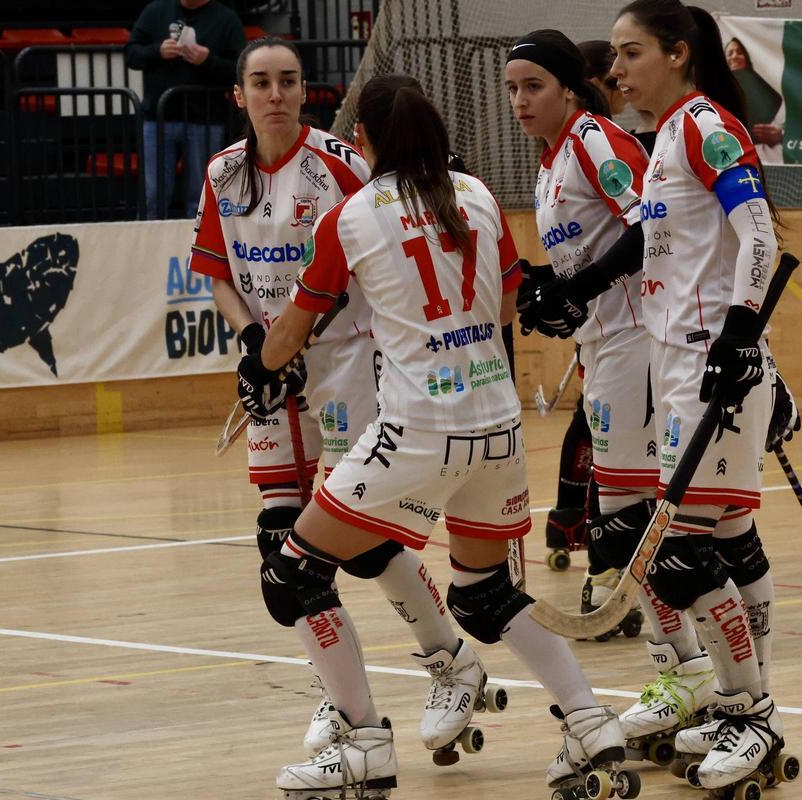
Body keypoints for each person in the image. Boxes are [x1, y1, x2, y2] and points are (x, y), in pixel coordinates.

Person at [236, 73, 632, 798]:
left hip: (418, 428)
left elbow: (288, 333)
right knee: (485, 595)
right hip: (497, 426)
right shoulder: (477, 196)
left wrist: (256, 369)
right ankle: (590, 721)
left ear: (364, 142)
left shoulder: (351, 216)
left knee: (290, 572)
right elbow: (508, 301)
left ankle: (362, 742)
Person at [188, 38, 489, 765]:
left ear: (303, 91)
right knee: (280, 551)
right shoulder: (222, 172)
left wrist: (294, 342)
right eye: (260, 82)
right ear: (239, 95)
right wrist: (251, 349)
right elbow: (218, 270)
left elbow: (372, 258)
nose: (276, 94)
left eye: (288, 81)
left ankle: (451, 662)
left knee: (363, 545)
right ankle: (350, 704)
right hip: (272, 369)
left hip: (350, 361)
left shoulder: (340, 166)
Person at [526, 1, 793, 790]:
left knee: (679, 553)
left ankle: (754, 712)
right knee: (720, 542)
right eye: (613, 53)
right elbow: (647, 247)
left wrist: (745, 334)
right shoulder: (668, 136)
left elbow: (761, 236)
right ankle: (731, 703)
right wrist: (573, 290)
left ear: (677, 54)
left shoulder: (706, 126)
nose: (617, 70)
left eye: (631, 52)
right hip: (678, 365)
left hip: (715, 363)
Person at [508, 30, 724, 761]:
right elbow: (586, 250)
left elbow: (649, 230)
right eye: (511, 89)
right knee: (622, 524)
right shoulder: (551, 159)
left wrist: (581, 287)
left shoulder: (596, 140)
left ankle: (698, 672)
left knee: (630, 523)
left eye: (533, 85)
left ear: (569, 87)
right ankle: (682, 668)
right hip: (605, 346)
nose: (519, 101)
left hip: (639, 337)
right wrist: (550, 286)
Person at [127, 0, 246, 219]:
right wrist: (157, 51)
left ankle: (199, 249)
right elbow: (131, 53)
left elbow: (240, 69)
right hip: (158, 118)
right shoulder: (156, 10)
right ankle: (148, 247)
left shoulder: (226, 18)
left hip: (205, 120)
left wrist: (207, 60)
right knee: (153, 195)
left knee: (200, 195)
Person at [724, 37, 784, 164]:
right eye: (730, 53)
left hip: (766, 158)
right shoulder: (716, 92)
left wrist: (780, 135)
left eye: (740, 52)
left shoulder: (770, 92)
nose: (734, 56)